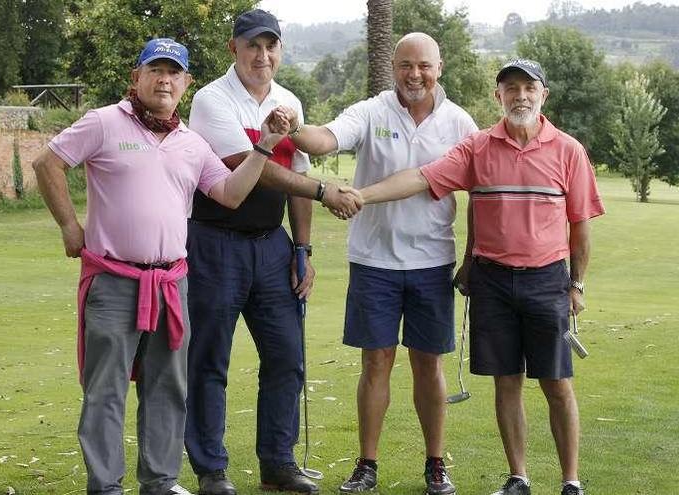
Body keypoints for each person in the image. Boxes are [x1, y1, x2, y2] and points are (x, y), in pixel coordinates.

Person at [31, 38, 295, 495]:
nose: (165, 79)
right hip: (114, 278)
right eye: (156, 70)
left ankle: (160, 480)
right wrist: (70, 226)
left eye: (175, 73)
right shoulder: (104, 122)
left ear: (186, 83)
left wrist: (266, 146)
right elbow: (47, 162)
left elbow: (230, 194)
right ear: (137, 77)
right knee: (106, 389)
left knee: (167, 387)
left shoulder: (191, 143)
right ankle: (106, 485)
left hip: (171, 283)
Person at [355, 59, 605, 495]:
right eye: (511, 89)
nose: (520, 96)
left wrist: (577, 285)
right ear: (498, 97)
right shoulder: (478, 147)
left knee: (556, 383)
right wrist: (362, 195)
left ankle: (571, 481)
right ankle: (518, 477)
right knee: (506, 382)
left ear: (543, 95)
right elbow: (421, 177)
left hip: (547, 280)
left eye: (529, 88)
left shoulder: (568, 150)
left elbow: (580, 224)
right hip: (492, 282)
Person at [273, 32, 477, 495]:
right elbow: (325, 140)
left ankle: (436, 465)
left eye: (423, 65)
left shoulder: (460, 122)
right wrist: (292, 129)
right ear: (393, 68)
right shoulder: (371, 110)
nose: (414, 75)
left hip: (431, 260)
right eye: (405, 65)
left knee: (428, 365)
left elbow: (478, 193)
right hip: (374, 261)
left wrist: (471, 256)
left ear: (439, 68)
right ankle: (367, 464)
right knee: (376, 362)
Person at [182, 9, 360, 495]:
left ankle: (277, 463)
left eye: (271, 46)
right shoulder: (211, 100)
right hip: (215, 242)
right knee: (210, 358)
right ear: (233, 49)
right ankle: (211, 469)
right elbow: (249, 165)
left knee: (286, 356)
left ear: (280, 49)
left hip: (271, 245)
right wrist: (325, 190)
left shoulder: (288, 101)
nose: (263, 56)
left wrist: (302, 248)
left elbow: (295, 180)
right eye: (252, 46)